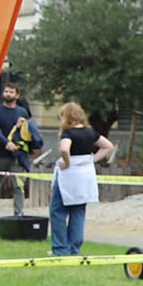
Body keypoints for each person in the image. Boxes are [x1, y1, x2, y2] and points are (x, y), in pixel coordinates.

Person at [48, 101, 103, 255]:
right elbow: (108, 146)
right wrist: (93, 159)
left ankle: (60, 247)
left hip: (69, 176)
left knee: (57, 211)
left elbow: (65, 148)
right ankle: (74, 248)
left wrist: (67, 162)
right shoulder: (90, 132)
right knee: (78, 212)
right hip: (85, 176)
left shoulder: (68, 133)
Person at [0, 77, 37, 217]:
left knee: (19, 186)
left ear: (17, 95)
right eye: (6, 91)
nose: (8, 94)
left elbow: (27, 133)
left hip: (18, 155)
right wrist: (6, 142)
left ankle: (18, 214)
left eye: (11, 92)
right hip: (0, 154)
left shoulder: (22, 112)